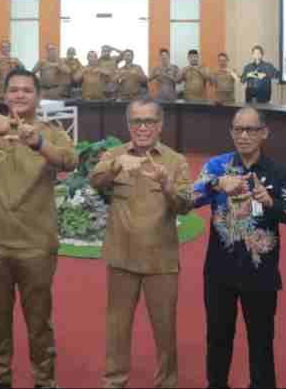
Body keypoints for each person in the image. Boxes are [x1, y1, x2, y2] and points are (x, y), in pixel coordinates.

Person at [0, 69, 77, 389]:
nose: (20, 94)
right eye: (13, 90)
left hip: (36, 242)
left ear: (38, 96)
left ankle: (44, 380)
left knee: (39, 321)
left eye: (27, 90)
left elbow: (69, 160)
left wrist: (37, 142)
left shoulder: (51, 132)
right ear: (5, 95)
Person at [192, 107, 286, 389]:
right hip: (219, 271)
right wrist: (217, 184)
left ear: (264, 133)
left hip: (261, 273)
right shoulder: (217, 166)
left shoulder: (280, 173)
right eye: (238, 129)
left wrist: (270, 202)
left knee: (261, 340)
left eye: (250, 130)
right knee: (218, 338)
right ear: (231, 132)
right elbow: (188, 199)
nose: (243, 135)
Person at [89, 98, 191, 388]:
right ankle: (114, 382)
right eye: (136, 121)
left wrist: (167, 185)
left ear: (160, 125)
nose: (142, 127)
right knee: (117, 328)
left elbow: (186, 205)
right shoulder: (115, 154)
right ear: (128, 124)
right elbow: (95, 181)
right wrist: (115, 167)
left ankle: (166, 383)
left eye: (149, 121)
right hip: (122, 257)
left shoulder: (175, 160)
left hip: (161, 260)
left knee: (165, 329)